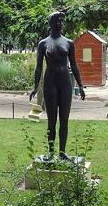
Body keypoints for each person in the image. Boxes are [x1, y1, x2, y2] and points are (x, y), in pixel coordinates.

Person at [30, 12, 85, 160]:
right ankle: (50, 152)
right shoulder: (43, 43)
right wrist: (35, 87)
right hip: (50, 83)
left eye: (62, 21)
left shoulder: (69, 43)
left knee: (64, 120)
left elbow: (74, 65)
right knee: (52, 120)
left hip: (65, 82)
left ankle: (62, 152)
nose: (60, 23)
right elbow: (38, 68)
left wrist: (80, 85)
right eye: (58, 21)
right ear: (51, 24)